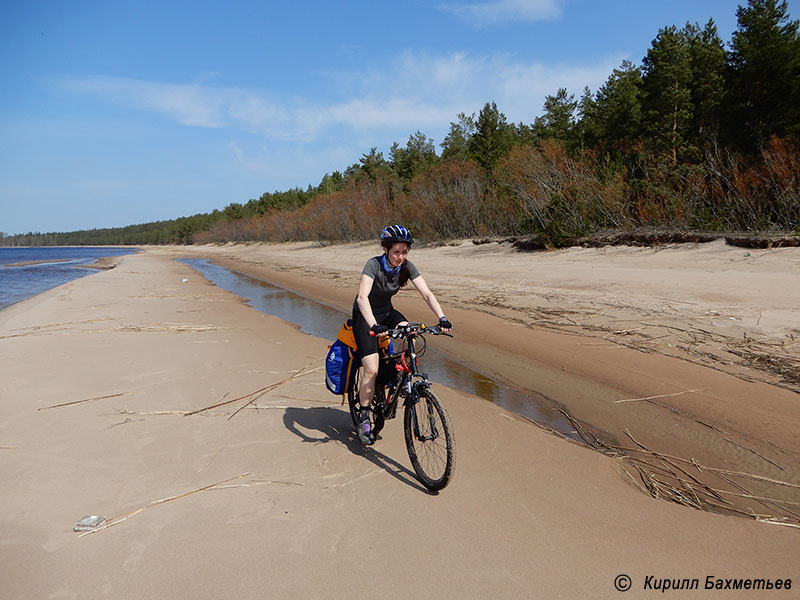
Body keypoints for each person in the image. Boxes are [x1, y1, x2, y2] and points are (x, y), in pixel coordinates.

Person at [352, 225, 453, 445]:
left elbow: (426, 293)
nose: (401, 256)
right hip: (365, 315)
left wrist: (442, 317)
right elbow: (362, 298)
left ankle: (399, 374)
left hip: (387, 312)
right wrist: (374, 325)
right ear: (386, 249)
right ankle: (365, 416)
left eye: (404, 251)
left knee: (411, 333)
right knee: (371, 368)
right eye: (396, 251)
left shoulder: (406, 267)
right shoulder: (373, 265)